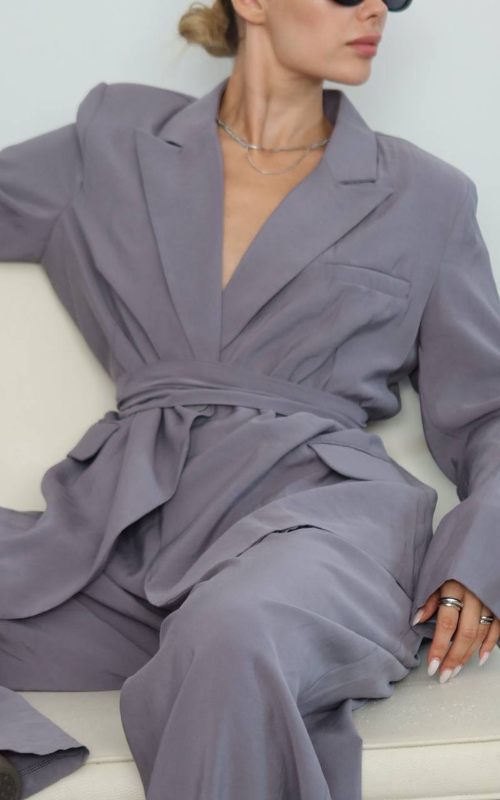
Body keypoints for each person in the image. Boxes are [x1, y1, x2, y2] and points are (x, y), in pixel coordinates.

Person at [1, 0, 500, 798]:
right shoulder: (113, 144)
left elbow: (489, 413)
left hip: (318, 522)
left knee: (234, 630)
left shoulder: (426, 195)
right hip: (125, 530)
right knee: (213, 630)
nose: (377, 7)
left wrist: (482, 559)